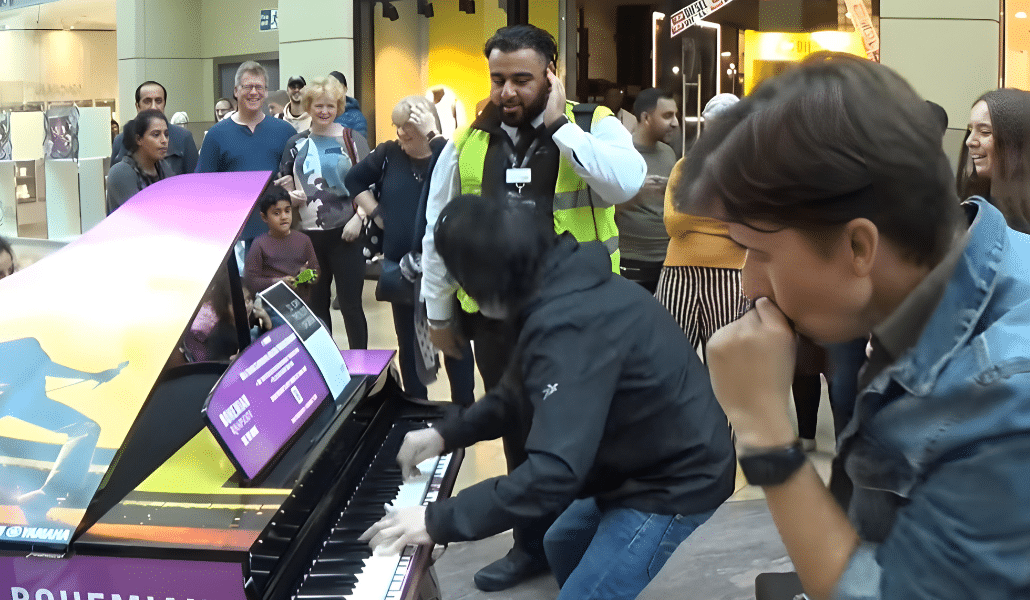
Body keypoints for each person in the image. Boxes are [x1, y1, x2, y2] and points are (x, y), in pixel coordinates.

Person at [674, 52, 1030, 599]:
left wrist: (763, 429)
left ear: (860, 246)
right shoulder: (947, 276)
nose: (748, 286)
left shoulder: (1003, 394)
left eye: (758, 251)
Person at [360, 194, 736, 600]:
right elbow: (515, 394)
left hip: (674, 481)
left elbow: (553, 473)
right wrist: (445, 435)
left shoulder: (570, 324)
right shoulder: (555, 285)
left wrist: (437, 520)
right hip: (635, 463)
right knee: (560, 543)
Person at [420, 24, 646, 592]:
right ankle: (532, 545)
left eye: (522, 79)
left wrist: (562, 128)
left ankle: (584, 537)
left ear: (552, 72)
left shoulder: (594, 124)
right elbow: (437, 231)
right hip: (499, 320)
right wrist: (439, 313)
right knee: (519, 432)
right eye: (498, 79)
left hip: (581, 317)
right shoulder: (469, 142)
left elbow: (627, 183)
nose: (508, 92)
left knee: (588, 430)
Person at [346, 96, 476, 406]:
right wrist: (377, 213)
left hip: (446, 269)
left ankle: (463, 406)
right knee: (408, 341)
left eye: (408, 126)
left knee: (454, 339)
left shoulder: (447, 155)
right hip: (402, 270)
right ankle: (416, 403)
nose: (401, 133)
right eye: (397, 126)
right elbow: (354, 179)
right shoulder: (389, 153)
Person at [278, 76, 370, 344]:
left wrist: (360, 218)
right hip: (307, 239)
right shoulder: (294, 143)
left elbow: (370, 185)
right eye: (318, 106)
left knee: (351, 306)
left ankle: (362, 370)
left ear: (338, 106)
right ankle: (326, 370)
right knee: (317, 307)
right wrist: (288, 196)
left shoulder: (352, 139)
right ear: (308, 106)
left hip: (347, 234)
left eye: (330, 105)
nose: (324, 111)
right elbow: (283, 184)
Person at [655, 93, 748, 356]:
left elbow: (747, 225)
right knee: (669, 359)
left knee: (726, 366)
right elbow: (673, 223)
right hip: (678, 273)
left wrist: (695, 210)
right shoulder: (684, 167)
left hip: (731, 275)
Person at [0, 338, 125, 522]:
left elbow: (47, 368)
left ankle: (44, 497)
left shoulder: (28, 348)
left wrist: (94, 376)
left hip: (26, 401)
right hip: (18, 399)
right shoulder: (26, 346)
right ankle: (44, 495)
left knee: (86, 428)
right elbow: (46, 368)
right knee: (86, 428)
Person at [197, 61, 298, 242]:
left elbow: (302, 179)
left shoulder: (285, 131)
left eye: (259, 87)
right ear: (236, 91)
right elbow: (202, 188)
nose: (253, 92)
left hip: (277, 236)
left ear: (266, 92)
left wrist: (294, 183)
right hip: (233, 236)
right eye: (247, 87)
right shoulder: (216, 135)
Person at [615, 88, 678, 293]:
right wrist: (635, 192)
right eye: (668, 116)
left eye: (676, 115)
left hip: (668, 260)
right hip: (630, 260)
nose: (676, 123)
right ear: (646, 117)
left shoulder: (668, 153)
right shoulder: (619, 153)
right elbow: (600, 207)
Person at [956, 88, 1030, 233]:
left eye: (985, 132)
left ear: (1018, 142)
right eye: (970, 130)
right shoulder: (971, 211)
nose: (970, 141)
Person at [244, 187, 320, 306]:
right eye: (276, 213)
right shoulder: (259, 244)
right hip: (273, 307)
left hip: (302, 304)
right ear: (264, 217)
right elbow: (251, 281)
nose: (284, 217)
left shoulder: (304, 239)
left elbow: (316, 272)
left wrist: (306, 275)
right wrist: (278, 282)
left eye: (287, 211)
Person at [112, 81, 198, 176]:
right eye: (147, 101)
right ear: (137, 106)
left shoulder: (183, 137)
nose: (153, 107)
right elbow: (116, 183)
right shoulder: (121, 140)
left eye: (158, 101)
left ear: (164, 104)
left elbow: (195, 181)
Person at [106, 109, 169, 214]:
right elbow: (142, 218)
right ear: (138, 139)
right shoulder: (121, 172)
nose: (164, 140)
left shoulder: (163, 168)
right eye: (156, 134)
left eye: (166, 134)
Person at [328, 71, 369, 139]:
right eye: (329, 87)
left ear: (345, 89)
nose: (332, 90)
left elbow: (360, 144)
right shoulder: (324, 113)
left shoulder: (356, 117)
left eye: (335, 86)